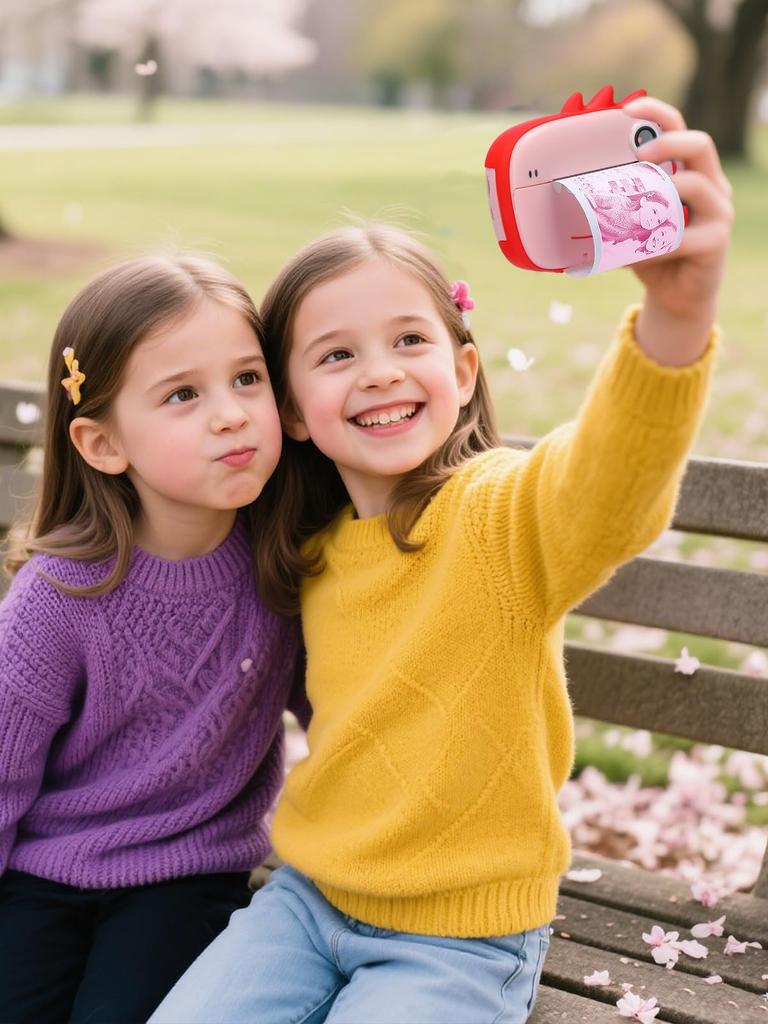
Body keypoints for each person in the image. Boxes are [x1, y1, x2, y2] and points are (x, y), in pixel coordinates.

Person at [149, 95, 732, 1024]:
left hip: (459, 937)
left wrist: (677, 314)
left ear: (463, 374)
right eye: (336, 355)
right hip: (306, 904)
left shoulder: (501, 517)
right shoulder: (310, 546)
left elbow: (610, 486)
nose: (379, 371)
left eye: (410, 341)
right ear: (293, 412)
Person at [0, 254, 309, 1024]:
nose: (232, 413)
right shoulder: (59, 598)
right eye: (183, 394)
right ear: (104, 444)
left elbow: (344, 715)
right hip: (46, 870)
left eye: (247, 379)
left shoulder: (287, 566)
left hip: (187, 874)